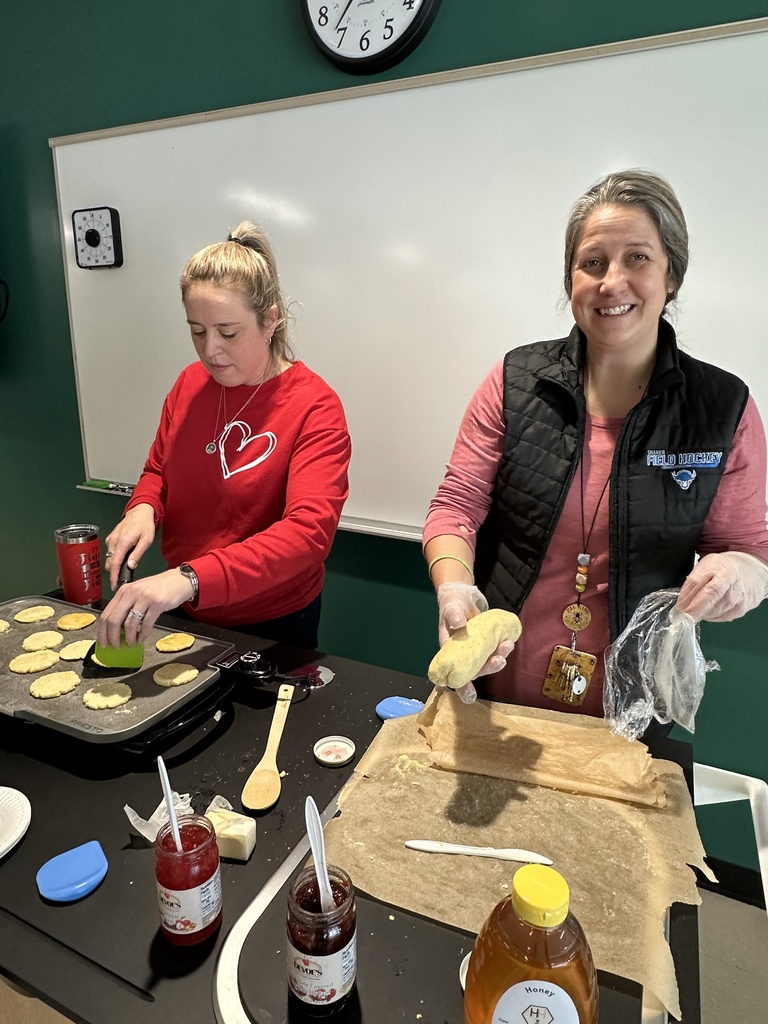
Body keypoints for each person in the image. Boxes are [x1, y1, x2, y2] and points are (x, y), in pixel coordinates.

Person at [424, 170, 768, 717]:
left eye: (638, 257)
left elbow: (747, 545)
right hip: (497, 690)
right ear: (571, 280)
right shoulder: (515, 380)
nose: (612, 282)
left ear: (671, 275)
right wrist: (454, 589)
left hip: (632, 705)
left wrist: (744, 573)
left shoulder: (723, 407)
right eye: (592, 262)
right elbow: (456, 504)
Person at [97, 221, 351, 651]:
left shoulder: (314, 406)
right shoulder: (189, 385)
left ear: (270, 321)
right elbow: (159, 469)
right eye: (197, 330)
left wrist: (190, 578)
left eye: (228, 333)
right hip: (187, 605)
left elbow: (307, 534)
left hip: (273, 620)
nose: (210, 349)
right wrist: (142, 509)